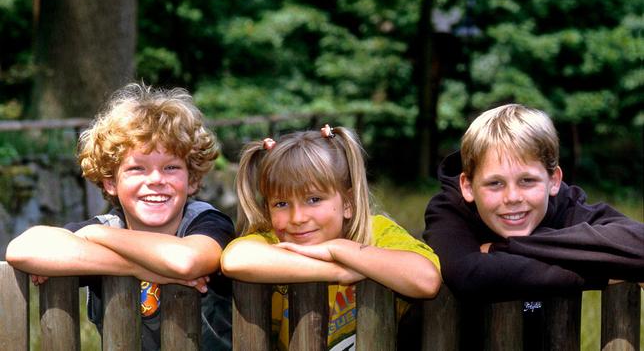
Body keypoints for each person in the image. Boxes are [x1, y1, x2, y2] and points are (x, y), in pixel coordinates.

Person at [6, 83, 234, 350]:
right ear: (111, 182)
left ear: (192, 179)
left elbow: (186, 262)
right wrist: (137, 268)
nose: (156, 180)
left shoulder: (206, 222)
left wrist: (94, 236)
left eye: (171, 167)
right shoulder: (109, 226)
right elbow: (24, 249)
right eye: (137, 168)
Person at [221, 124, 441, 351]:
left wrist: (337, 249)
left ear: (348, 203)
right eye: (281, 204)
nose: (297, 218)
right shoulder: (271, 241)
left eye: (314, 199)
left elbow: (426, 279)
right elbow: (234, 259)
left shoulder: (376, 232)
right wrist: (339, 271)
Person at [423, 103, 644, 302]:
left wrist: (503, 248)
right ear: (468, 186)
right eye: (495, 183)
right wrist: (599, 273)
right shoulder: (448, 209)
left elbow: (639, 243)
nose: (512, 197)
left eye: (527, 181)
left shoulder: (563, 204)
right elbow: (469, 275)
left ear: (554, 181)